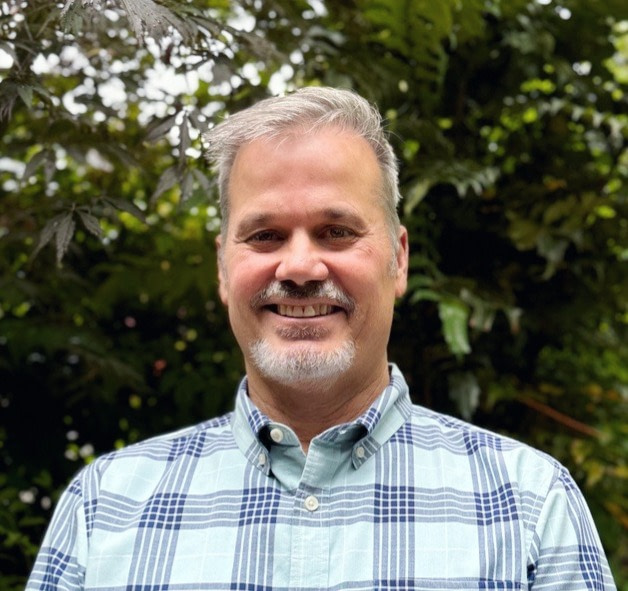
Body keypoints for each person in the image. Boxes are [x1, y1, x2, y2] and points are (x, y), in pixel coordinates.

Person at [27, 87, 616, 591]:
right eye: (265, 235)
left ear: (399, 258)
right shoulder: (105, 507)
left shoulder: (529, 505)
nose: (300, 267)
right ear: (223, 268)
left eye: (336, 231)